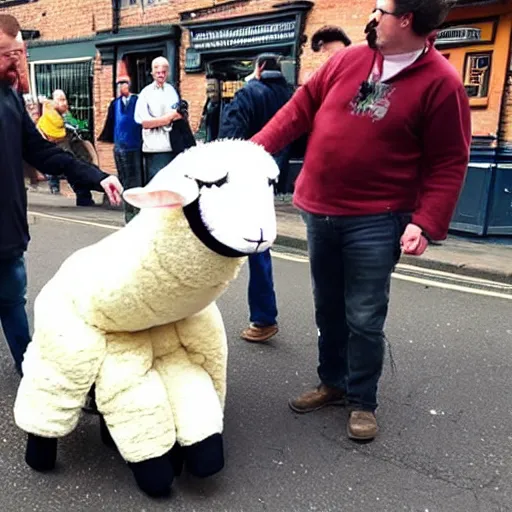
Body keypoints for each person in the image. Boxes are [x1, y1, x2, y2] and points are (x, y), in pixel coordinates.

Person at [251, 0, 470, 440]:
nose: (372, 17)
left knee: (364, 316)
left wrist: (425, 222)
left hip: (378, 218)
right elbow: (298, 110)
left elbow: (449, 160)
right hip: (320, 209)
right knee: (327, 306)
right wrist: (249, 154)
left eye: (381, 9)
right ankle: (332, 382)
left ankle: (362, 400)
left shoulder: (442, 83)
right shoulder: (350, 59)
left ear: (407, 20)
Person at [0, 14, 123, 375]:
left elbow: (43, 152)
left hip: (7, 234)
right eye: (10, 55)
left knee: (11, 302)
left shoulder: (9, 96)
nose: (18, 64)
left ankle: (34, 378)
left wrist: (98, 177)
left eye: (21, 54)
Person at [218, 53, 293, 343]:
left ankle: (262, 318)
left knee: (215, 237)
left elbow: (230, 138)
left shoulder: (248, 93)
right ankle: (262, 317)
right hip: (270, 177)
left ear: (259, 68)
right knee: (257, 242)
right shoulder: (290, 95)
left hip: (243, 175)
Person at [37, 89, 96, 206]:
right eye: (60, 100)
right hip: (57, 153)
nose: (64, 103)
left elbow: (77, 127)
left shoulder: (66, 116)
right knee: (70, 169)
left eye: (65, 99)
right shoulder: (46, 120)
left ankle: (83, 195)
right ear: (52, 102)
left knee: (77, 168)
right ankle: (61, 189)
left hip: (70, 151)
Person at [99, 75, 143, 223]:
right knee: (123, 180)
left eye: (123, 84)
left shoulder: (138, 101)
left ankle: (136, 212)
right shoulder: (115, 103)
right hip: (119, 147)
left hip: (134, 147)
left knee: (134, 181)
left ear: (130, 86)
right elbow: (111, 123)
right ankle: (128, 213)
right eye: (118, 84)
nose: (120, 87)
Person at [134, 56, 182, 184]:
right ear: (152, 73)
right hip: (154, 150)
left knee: (171, 185)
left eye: (164, 72)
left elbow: (178, 115)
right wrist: (167, 119)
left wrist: (174, 117)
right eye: (158, 72)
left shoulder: (172, 91)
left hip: (172, 148)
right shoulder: (145, 93)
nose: (161, 75)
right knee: (157, 186)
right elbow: (145, 123)